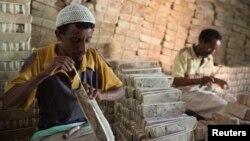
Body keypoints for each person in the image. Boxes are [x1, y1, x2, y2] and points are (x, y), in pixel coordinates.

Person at [3, 4, 125, 140]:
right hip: (53, 132)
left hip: (86, 128)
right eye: (75, 40)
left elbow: (120, 90)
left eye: (88, 40)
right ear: (59, 35)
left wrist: (101, 95)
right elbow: (8, 101)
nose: (83, 48)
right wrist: (43, 74)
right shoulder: (40, 57)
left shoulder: (93, 57)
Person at [172, 28, 231, 119]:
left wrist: (216, 80)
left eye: (214, 49)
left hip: (202, 90)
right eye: (210, 47)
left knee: (231, 101)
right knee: (223, 105)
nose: (212, 52)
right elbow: (176, 81)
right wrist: (200, 80)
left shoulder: (209, 58)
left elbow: (209, 77)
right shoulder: (184, 54)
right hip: (184, 93)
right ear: (201, 41)